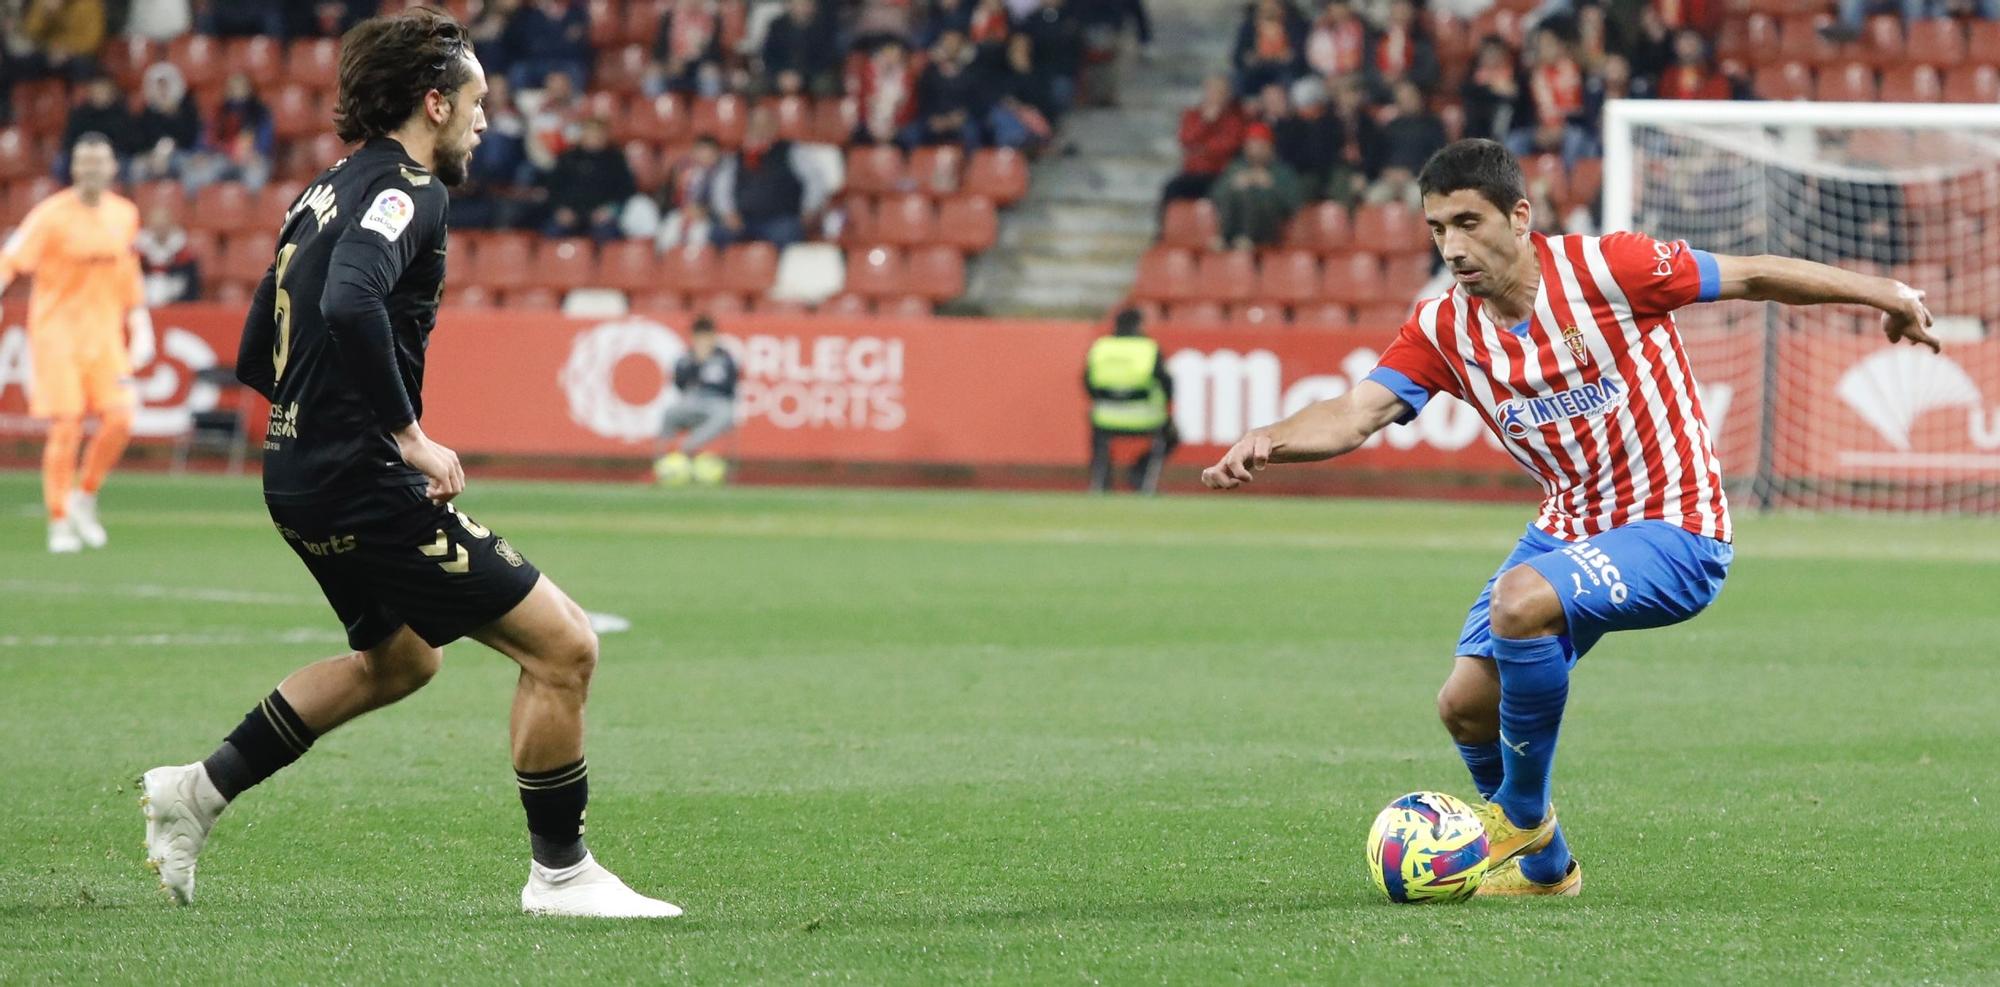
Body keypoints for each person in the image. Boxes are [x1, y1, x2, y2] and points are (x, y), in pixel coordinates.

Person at [1199, 138, 1941, 896]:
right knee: (1463, 706)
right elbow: (1358, 412)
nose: (1453, 247)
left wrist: (1884, 292)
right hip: (1569, 523)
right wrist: (1273, 438)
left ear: (1519, 217)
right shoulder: (1444, 330)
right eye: (1437, 230)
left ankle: (1516, 812)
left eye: (1467, 222)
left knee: (1520, 601)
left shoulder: (1608, 269)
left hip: (1677, 525)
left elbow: (1750, 273)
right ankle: (1548, 870)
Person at [136, 8, 680, 919]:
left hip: (296, 471)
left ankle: (195, 791)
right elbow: (351, 300)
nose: (483, 121)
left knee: (400, 662)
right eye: (475, 103)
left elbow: (249, 350)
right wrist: (403, 433)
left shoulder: (324, 188)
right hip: (360, 478)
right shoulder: (409, 190)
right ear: (433, 103)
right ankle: (562, 874)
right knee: (564, 648)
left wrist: (318, 430)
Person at [0, 132, 152, 553]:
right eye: (84, 162)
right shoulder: (50, 216)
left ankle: (85, 494)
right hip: (57, 335)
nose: (91, 169)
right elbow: (11, 259)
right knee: (66, 425)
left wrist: (140, 322)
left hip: (104, 335)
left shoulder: (125, 214)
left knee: (120, 420)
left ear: (112, 167)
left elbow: (128, 271)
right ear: (74, 168)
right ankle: (59, 519)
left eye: (99, 161)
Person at [1084, 307, 1176, 495]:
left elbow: (1087, 382)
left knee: (1098, 437)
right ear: (1139, 325)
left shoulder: (1100, 347)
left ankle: (1102, 483)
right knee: (1171, 436)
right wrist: (1164, 405)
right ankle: (1141, 475)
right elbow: (1167, 383)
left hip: (1105, 417)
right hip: (1146, 418)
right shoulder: (1148, 349)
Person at [709, 106, 828, 249]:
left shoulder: (792, 151)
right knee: (718, 233)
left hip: (781, 219)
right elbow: (722, 188)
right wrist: (728, 213)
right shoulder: (736, 156)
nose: (761, 129)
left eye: (766, 124)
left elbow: (815, 182)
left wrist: (809, 209)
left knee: (788, 233)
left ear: (775, 126)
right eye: (757, 125)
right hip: (744, 219)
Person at [654, 316, 740, 486]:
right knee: (669, 413)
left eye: (706, 336)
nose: (703, 341)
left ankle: (687, 446)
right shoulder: (686, 358)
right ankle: (662, 463)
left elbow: (731, 386)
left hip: (717, 402)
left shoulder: (725, 358)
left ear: (714, 337)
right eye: (699, 337)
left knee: (726, 414)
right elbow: (679, 384)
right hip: (692, 400)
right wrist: (697, 364)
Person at [1210, 122, 1302, 249]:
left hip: (1268, 231)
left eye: (1260, 146)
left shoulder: (1282, 171)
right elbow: (1215, 194)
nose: (1255, 150)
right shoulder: (1236, 167)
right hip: (1233, 230)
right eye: (1252, 145)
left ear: (1269, 147)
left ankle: (1247, 237)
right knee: (1234, 192)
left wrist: (1271, 185)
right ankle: (1225, 237)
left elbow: (1294, 203)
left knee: (1251, 195)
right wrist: (1234, 184)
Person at [539, 116, 633, 240]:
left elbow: (626, 189)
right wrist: (560, 209)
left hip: (601, 215)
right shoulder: (568, 158)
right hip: (569, 213)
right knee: (551, 234)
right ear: (583, 135)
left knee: (609, 236)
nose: (595, 138)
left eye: (599, 134)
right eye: (591, 133)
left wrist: (610, 210)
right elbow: (553, 188)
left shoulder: (615, 160)